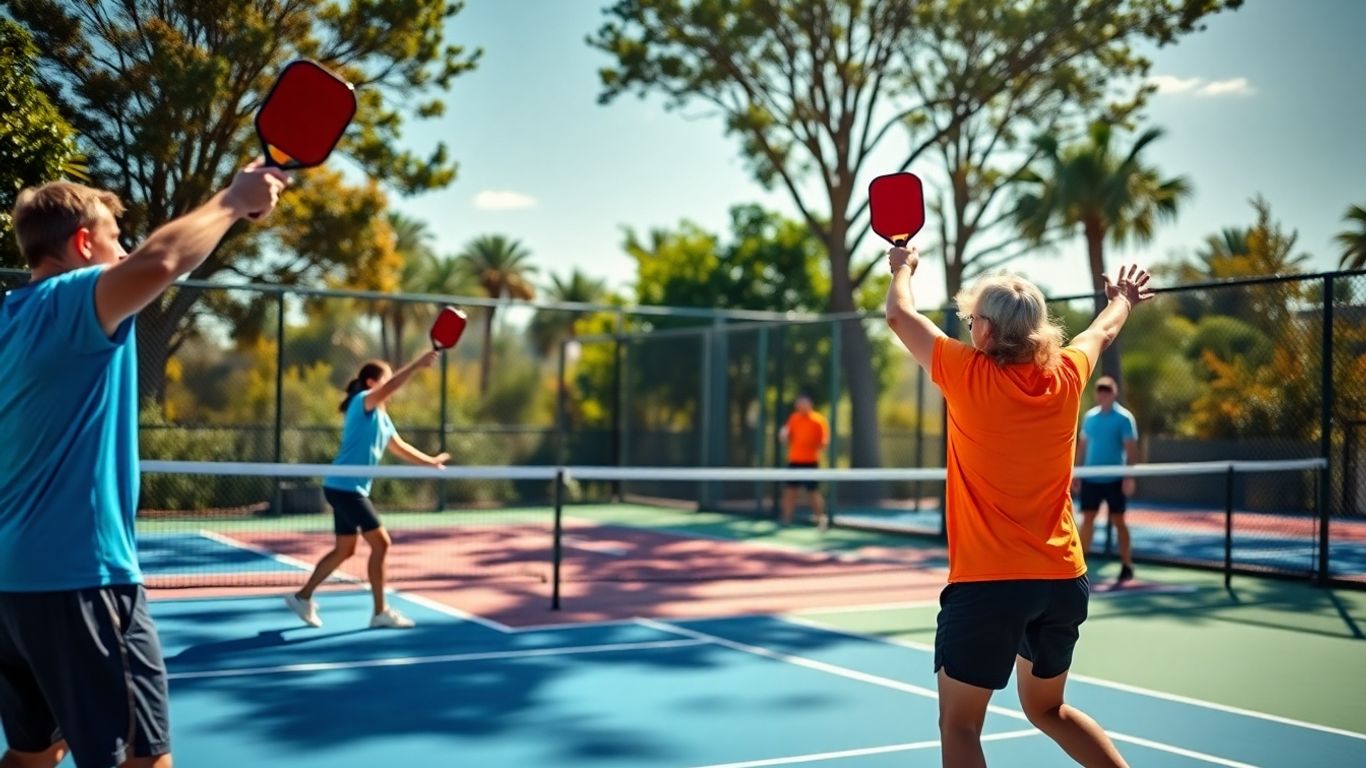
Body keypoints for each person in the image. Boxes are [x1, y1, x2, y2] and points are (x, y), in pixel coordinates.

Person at [0, 161, 288, 768]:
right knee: (142, 761)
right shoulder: (72, 301)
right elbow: (160, 262)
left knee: (32, 753)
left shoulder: (8, 319)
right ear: (83, 244)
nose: (125, 252)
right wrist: (233, 200)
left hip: (11, 586)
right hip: (83, 580)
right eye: (114, 239)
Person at [885, 243, 1152, 768]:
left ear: (988, 331)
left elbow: (898, 314)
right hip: (1061, 580)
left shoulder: (965, 372)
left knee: (959, 724)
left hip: (989, 585)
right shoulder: (1069, 376)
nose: (967, 327)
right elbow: (1103, 330)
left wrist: (902, 270)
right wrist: (1122, 298)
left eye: (971, 319)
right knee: (1048, 709)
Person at [284, 354, 449, 630]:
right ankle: (380, 611)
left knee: (344, 550)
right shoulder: (363, 402)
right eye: (384, 378)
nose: (389, 386)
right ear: (371, 382)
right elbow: (392, 387)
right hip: (346, 487)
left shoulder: (382, 417)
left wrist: (431, 462)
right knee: (381, 543)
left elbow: (399, 447)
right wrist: (418, 364)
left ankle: (302, 597)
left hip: (345, 488)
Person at [1074, 376, 1140, 584]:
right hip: (1091, 479)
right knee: (1088, 520)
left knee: (1119, 521)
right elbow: (1082, 447)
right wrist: (1077, 473)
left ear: (1114, 393)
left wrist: (1129, 476)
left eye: (1107, 390)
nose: (1103, 394)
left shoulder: (1124, 418)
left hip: (1114, 479)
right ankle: (1079, 566)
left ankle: (1127, 565)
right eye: (1100, 390)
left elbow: (1131, 449)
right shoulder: (1090, 417)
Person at [779, 394, 830, 529]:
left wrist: (816, 445)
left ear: (810, 404)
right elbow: (786, 434)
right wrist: (784, 435)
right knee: (790, 491)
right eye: (799, 404)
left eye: (803, 403)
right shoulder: (794, 418)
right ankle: (786, 519)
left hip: (810, 462)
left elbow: (824, 442)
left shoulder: (818, 420)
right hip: (794, 461)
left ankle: (820, 520)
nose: (801, 406)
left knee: (813, 492)